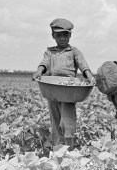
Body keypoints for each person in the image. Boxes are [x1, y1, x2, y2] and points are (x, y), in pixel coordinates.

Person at [32, 18, 95, 150]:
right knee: (55, 120)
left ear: (70, 35)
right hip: (53, 89)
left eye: (65, 35)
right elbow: (44, 63)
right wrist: (39, 72)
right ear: (53, 36)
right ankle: (57, 149)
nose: (62, 38)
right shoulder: (50, 52)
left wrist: (90, 77)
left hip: (68, 90)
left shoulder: (74, 52)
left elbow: (83, 65)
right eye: (58, 35)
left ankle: (69, 148)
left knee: (67, 120)